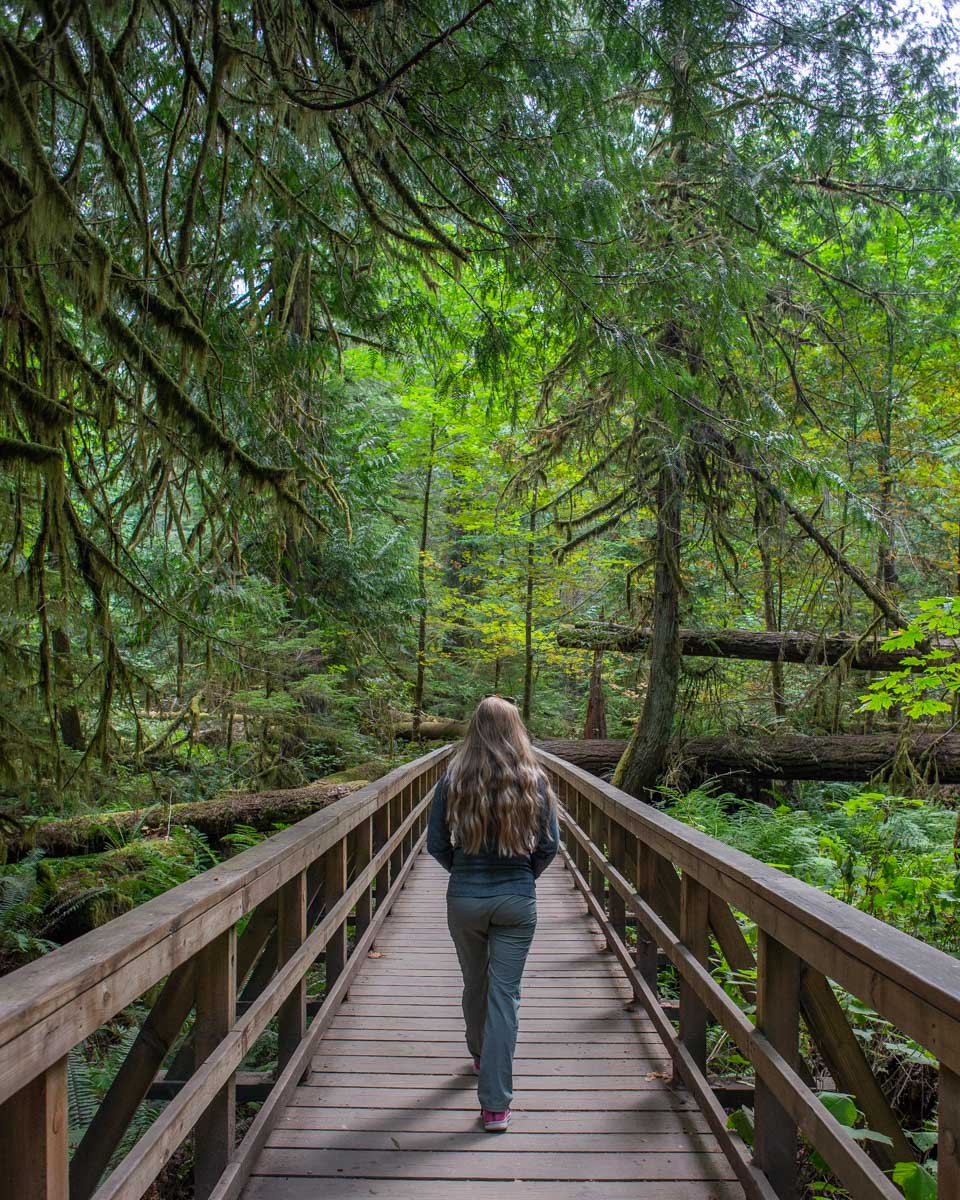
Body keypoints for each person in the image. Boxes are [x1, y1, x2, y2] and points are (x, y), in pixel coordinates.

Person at [427, 695, 560, 1132]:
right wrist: (523, 879)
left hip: (464, 898)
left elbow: (436, 844)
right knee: (505, 996)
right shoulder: (534, 779)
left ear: (474, 728)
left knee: (475, 982)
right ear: (515, 728)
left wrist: (463, 873)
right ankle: (495, 1107)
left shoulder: (452, 779)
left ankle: (480, 1053)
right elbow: (548, 847)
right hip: (516, 901)